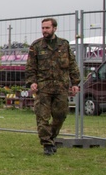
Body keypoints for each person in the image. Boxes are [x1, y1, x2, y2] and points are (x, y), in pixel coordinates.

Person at [26, 17, 79, 155]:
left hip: (61, 87)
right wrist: (32, 82)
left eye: (47, 28)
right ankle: (47, 144)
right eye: (43, 28)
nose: (44, 30)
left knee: (61, 115)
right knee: (42, 117)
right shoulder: (36, 46)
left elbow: (72, 65)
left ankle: (52, 137)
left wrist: (75, 83)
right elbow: (31, 67)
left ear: (54, 28)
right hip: (43, 88)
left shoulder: (64, 45)